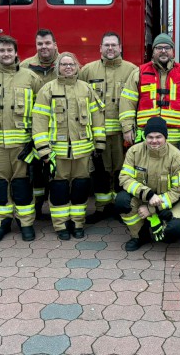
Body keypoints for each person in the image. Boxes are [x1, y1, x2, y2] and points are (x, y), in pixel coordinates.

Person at [0, 35, 42, 243]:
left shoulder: (31, 78)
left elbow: (40, 109)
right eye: (2, 50)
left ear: (16, 53)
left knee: (22, 185)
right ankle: (1, 223)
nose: (6, 54)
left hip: (23, 144)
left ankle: (26, 223)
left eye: (9, 50)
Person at [32, 52, 106, 240]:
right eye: (63, 64)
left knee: (81, 188)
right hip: (57, 153)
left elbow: (97, 117)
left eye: (71, 64)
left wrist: (99, 143)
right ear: (58, 67)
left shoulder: (86, 89)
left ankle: (78, 223)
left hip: (83, 152)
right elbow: (39, 120)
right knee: (59, 189)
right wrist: (43, 149)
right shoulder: (47, 90)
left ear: (77, 66)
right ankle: (61, 226)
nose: (68, 67)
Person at [78, 32, 136, 223]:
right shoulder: (87, 71)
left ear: (120, 48)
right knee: (101, 172)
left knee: (122, 171)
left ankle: (121, 208)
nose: (110, 48)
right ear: (100, 48)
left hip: (121, 133)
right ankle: (102, 209)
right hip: (97, 133)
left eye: (114, 45)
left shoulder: (132, 70)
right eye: (106, 45)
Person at [115, 117, 180, 251]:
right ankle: (139, 235)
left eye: (158, 137)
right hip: (143, 198)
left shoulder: (177, 157)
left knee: (176, 229)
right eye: (150, 137)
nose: (154, 141)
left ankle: (164, 227)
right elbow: (125, 178)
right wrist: (148, 195)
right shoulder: (134, 152)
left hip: (169, 202)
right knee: (122, 201)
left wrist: (152, 209)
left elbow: (179, 190)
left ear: (165, 137)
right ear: (145, 136)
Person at [120, 33, 180, 149]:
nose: (163, 51)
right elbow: (127, 102)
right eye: (159, 48)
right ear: (153, 51)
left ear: (172, 51)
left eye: (167, 48)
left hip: (177, 139)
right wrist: (127, 127)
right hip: (147, 138)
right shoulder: (139, 73)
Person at [20, 28, 60, 220]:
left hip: (61, 129)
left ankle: (56, 209)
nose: (44, 47)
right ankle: (36, 208)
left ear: (55, 45)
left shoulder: (67, 64)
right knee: (35, 171)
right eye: (40, 44)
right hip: (34, 129)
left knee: (56, 171)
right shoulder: (25, 66)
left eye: (47, 43)